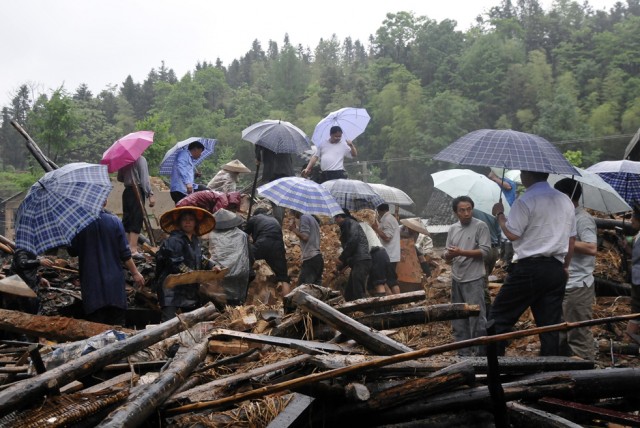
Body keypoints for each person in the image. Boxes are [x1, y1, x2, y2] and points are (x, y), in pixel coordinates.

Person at [490, 170, 576, 356]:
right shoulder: (565, 200)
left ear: (527, 175)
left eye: (522, 172)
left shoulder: (525, 200)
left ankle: (492, 367)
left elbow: (512, 233)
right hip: (555, 268)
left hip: (529, 268)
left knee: (498, 318)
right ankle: (553, 371)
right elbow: (571, 239)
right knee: (549, 325)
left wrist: (500, 215)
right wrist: (565, 266)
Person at [68, 203, 145, 326]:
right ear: (105, 202)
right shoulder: (114, 221)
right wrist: (135, 273)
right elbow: (125, 253)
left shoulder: (78, 224)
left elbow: (72, 251)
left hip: (92, 284)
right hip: (114, 284)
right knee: (118, 328)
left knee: (97, 330)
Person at [554, 178, 597, 360]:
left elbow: (591, 247)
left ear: (566, 196)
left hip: (579, 284)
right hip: (565, 281)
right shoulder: (566, 218)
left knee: (578, 332)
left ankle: (588, 373)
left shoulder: (583, 219)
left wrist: (568, 239)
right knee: (561, 331)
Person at [444, 196, 491, 356]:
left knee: (477, 318)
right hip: (457, 277)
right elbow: (446, 253)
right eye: (462, 210)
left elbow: (485, 251)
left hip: (474, 278)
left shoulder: (480, 226)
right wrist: (449, 255)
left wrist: (461, 252)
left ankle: (480, 356)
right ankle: (462, 355)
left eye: (469, 209)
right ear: (456, 212)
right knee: (458, 317)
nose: (466, 213)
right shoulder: (453, 229)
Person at [155, 206, 218, 321]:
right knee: (168, 323)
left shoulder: (195, 240)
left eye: (191, 219)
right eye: (184, 219)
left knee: (191, 322)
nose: (188, 222)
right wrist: (194, 274)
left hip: (189, 289)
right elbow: (176, 263)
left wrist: (212, 265)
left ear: (195, 223)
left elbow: (200, 257)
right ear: (179, 223)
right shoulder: (174, 240)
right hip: (171, 288)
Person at [210, 208, 252, 306]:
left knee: (219, 298)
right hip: (239, 272)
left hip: (218, 272)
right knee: (235, 299)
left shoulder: (210, 235)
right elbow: (249, 255)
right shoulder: (242, 235)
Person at [245, 208, 291, 297]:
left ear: (255, 214)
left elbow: (243, 235)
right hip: (278, 246)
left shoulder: (254, 218)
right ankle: (288, 305)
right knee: (283, 276)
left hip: (263, 243)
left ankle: (244, 294)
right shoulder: (274, 220)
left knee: (245, 262)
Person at [117, 155, 156, 258]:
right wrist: (150, 194)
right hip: (137, 191)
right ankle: (133, 249)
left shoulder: (123, 160)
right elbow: (144, 178)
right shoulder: (140, 159)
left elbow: (120, 178)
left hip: (127, 192)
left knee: (127, 218)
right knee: (136, 219)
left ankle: (125, 247)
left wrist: (128, 174)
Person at [334, 211, 371, 301]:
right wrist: (340, 267)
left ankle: (363, 312)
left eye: (335, 218)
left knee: (359, 291)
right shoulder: (346, 226)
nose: (335, 221)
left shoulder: (350, 223)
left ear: (339, 217)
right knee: (349, 293)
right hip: (357, 261)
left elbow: (352, 243)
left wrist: (341, 258)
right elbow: (349, 249)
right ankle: (350, 311)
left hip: (361, 260)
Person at [256, 146, 294, 225]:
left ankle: (277, 224)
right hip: (286, 171)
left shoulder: (266, 136)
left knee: (274, 200)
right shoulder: (287, 137)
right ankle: (279, 224)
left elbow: (258, 146)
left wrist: (258, 157)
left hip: (272, 171)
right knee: (282, 200)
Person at [10, 248, 54, 314]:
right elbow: (22, 264)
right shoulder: (21, 251)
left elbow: (30, 271)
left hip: (29, 286)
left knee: (36, 307)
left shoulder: (30, 251)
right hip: (22, 288)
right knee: (28, 311)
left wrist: (39, 279)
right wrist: (39, 262)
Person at [288, 210, 323, 286]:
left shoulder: (304, 217)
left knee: (303, 291)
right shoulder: (312, 218)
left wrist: (294, 229)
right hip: (317, 258)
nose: (292, 214)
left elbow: (305, 237)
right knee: (316, 291)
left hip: (311, 259)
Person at [372, 203, 401, 294]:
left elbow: (387, 237)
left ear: (379, 210)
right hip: (389, 254)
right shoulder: (388, 218)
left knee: (391, 281)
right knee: (388, 281)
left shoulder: (388, 220)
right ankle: (395, 301)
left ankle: (399, 301)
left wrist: (376, 228)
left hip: (390, 255)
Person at [624, 205, 640, 344]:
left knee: (636, 307)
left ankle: (628, 338)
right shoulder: (637, 235)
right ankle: (628, 338)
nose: (631, 221)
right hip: (637, 277)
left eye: (632, 217)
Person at [176, 189, 242, 214]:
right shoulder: (224, 201)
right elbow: (216, 215)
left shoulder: (222, 195)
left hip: (186, 201)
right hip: (189, 204)